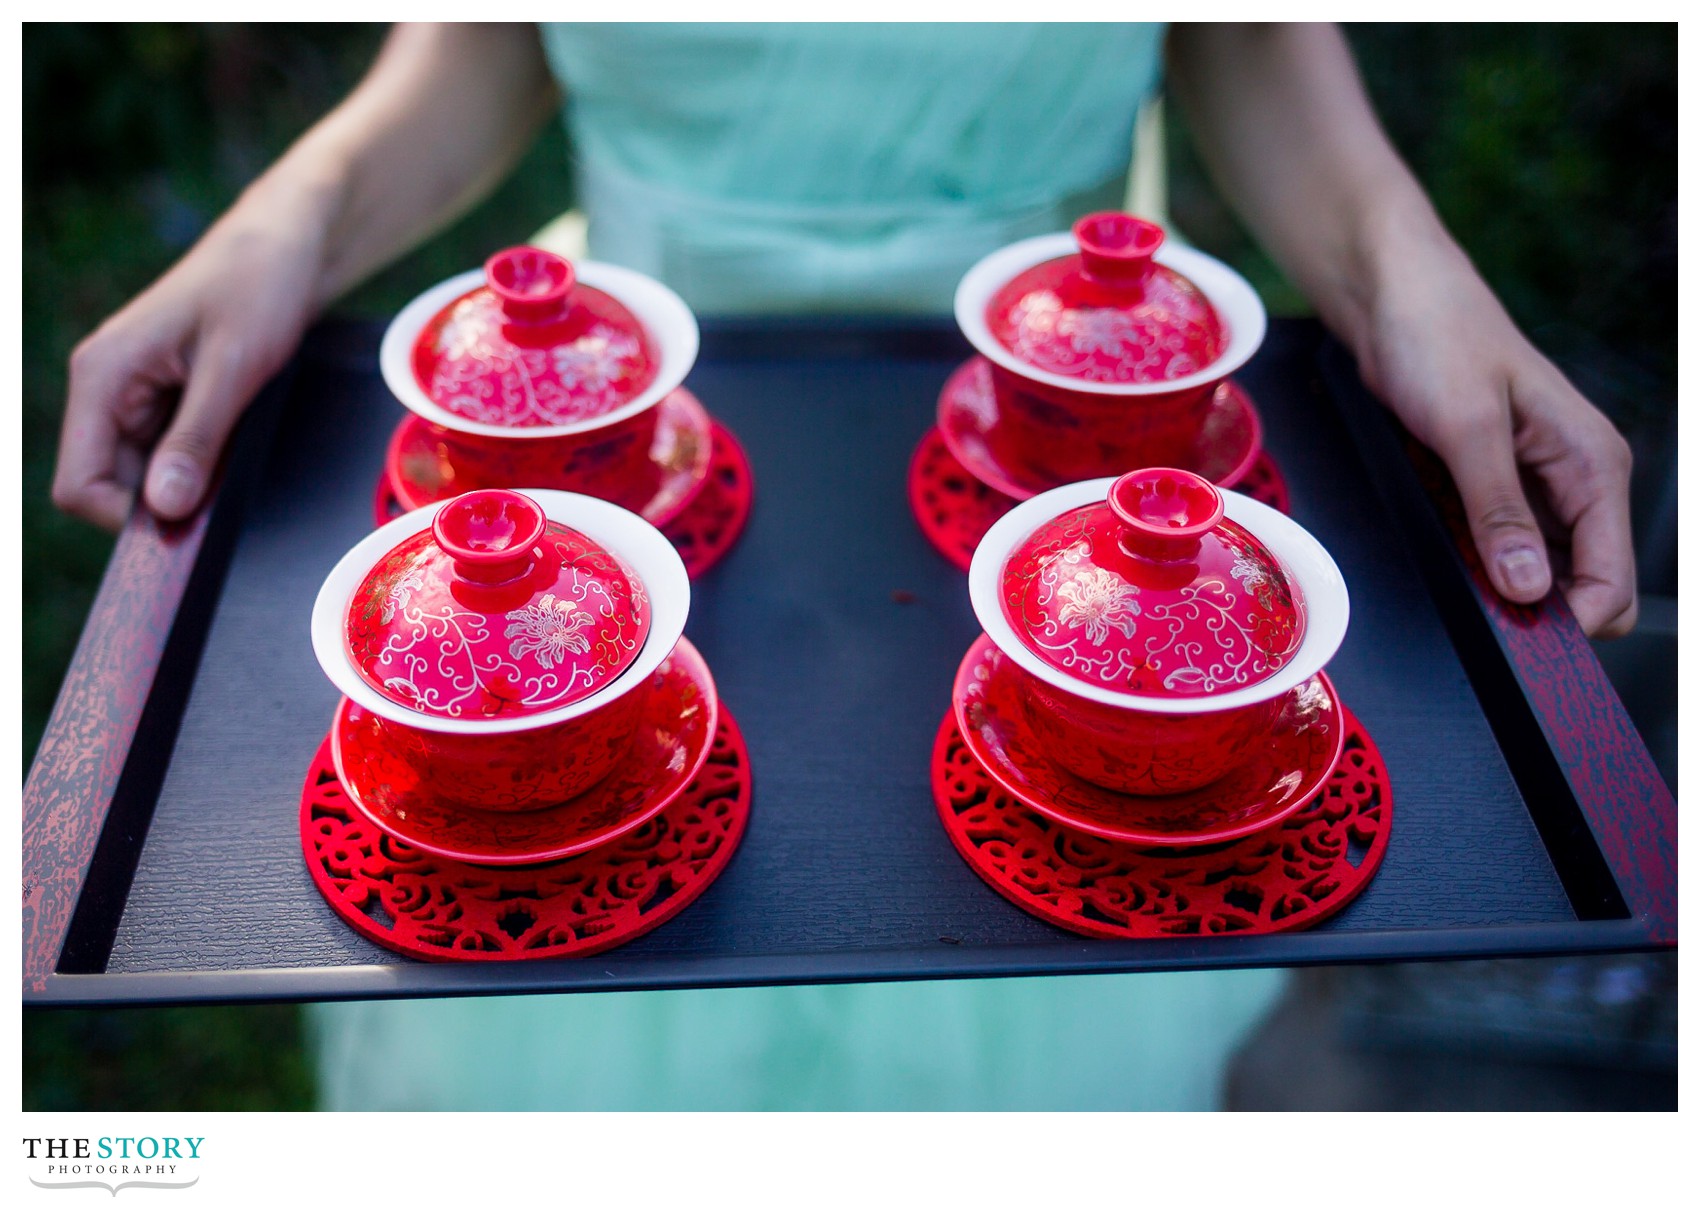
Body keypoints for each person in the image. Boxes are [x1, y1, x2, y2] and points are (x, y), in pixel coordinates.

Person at [50, 23, 1641, 1109]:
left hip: (1077, 456)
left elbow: (1244, 34)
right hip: (633, 437)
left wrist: (1404, 276)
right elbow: (487, 39)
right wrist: (288, 219)